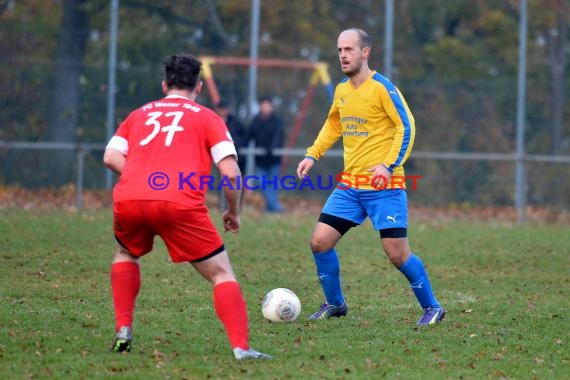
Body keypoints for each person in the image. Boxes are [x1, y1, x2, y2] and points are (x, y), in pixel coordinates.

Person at [103, 54, 271, 360]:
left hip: (130, 199)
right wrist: (232, 211)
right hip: (179, 204)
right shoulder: (207, 117)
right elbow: (231, 173)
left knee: (126, 252)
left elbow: (110, 157)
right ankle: (241, 347)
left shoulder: (139, 114)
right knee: (222, 273)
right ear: (199, 87)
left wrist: (144, 179)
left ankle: (123, 328)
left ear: (165, 85)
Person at [296, 28, 445, 326]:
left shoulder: (382, 88)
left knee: (397, 255)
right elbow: (333, 126)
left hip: (384, 187)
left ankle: (433, 308)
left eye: (349, 49)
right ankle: (336, 304)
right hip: (350, 187)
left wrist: (389, 165)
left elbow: (407, 126)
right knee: (319, 242)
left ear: (365, 53)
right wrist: (312, 154)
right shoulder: (341, 90)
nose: (342, 55)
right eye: (339, 49)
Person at [248, 96, 285, 213]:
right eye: (263, 106)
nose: (265, 108)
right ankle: (276, 207)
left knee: (272, 186)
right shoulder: (256, 120)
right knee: (262, 183)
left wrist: (272, 147)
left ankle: (270, 208)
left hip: (274, 159)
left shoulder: (277, 120)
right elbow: (250, 135)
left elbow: (279, 136)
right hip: (260, 160)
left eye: (267, 105)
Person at [214, 99, 248, 175]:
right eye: (221, 109)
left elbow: (245, 135)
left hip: (237, 155)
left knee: (240, 178)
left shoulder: (235, 121)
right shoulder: (214, 121)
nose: (223, 111)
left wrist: (237, 143)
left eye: (224, 109)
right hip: (220, 156)